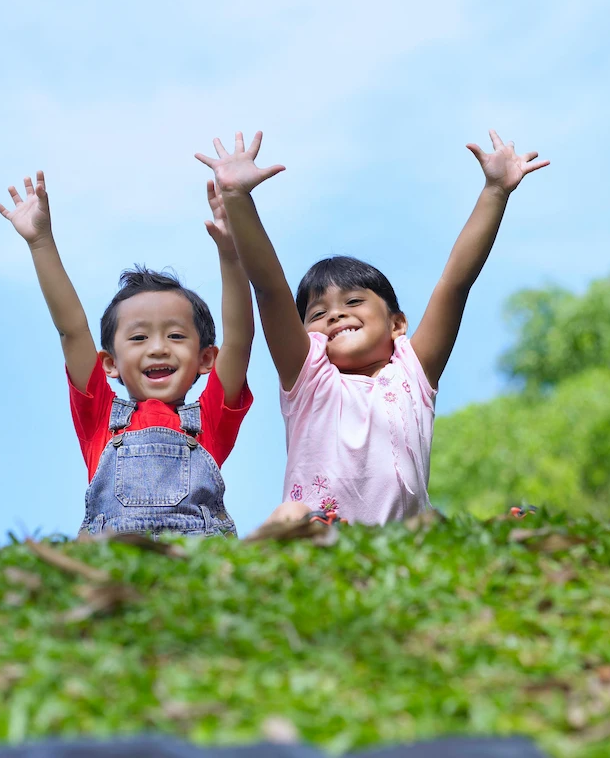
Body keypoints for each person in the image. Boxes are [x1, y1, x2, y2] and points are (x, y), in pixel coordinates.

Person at [196, 129, 548, 525]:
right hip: (321, 539)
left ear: (397, 324)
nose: (334, 315)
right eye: (317, 313)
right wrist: (238, 199)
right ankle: (252, 566)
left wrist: (496, 192)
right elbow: (270, 289)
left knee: (434, 522)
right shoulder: (309, 377)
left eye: (353, 302)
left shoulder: (412, 373)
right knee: (291, 514)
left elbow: (455, 284)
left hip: (402, 546)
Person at [0, 173, 255, 537]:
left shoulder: (210, 419)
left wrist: (232, 254)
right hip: (114, 560)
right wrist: (41, 242)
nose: (158, 347)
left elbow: (240, 339)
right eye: (138, 337)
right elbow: (72, 330)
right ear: (110, 364)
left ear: (206, 358)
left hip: (194, 565)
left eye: (176, 335)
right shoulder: (100, 415)